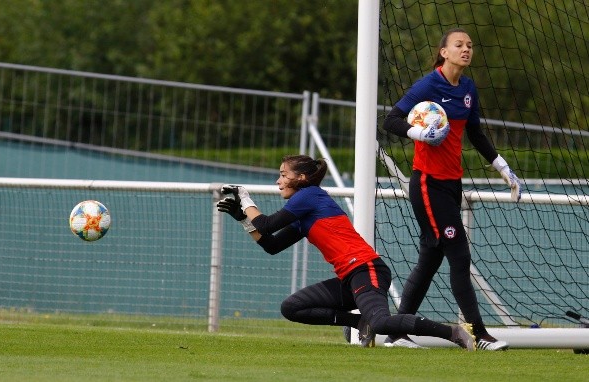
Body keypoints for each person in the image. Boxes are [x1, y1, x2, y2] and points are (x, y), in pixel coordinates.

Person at [216, 154, 475, 350]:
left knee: (383, 322)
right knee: (292, 307)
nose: (278, 180)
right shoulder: (304, 209)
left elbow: (266, 224)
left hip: (367, 269)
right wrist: (242, 218)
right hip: (350, 278)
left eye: (283, 174)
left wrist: (245, 197)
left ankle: (452, 332)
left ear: (302, 179)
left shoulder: (309, 196)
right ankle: (358, 323)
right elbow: (271, 244)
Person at [381, 28, 521, 351]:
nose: (466, 49)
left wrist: (503, 167)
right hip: (427, 185)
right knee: (459, 254)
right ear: (444, 52)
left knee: (430, 259)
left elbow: (475, 133)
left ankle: (396, 332)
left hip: (451, 185)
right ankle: (478, 336)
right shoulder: (429, 85)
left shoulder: (468, 88)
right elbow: (390, 121)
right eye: (459, 45)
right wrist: (417, 133)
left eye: (470, 45)